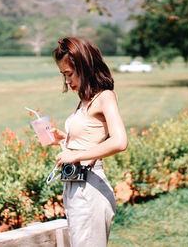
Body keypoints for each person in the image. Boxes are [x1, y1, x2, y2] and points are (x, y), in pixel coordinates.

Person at [48, 37, 128, 247]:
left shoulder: (105, 97)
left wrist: (75, 155)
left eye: (69, 74)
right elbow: (89, 141)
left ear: (85, 67)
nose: (67, 81)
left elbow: (120, 141)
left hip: (89, 187)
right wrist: (63, 139)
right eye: (63, 75)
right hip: (75, 186)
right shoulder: (83, 101)